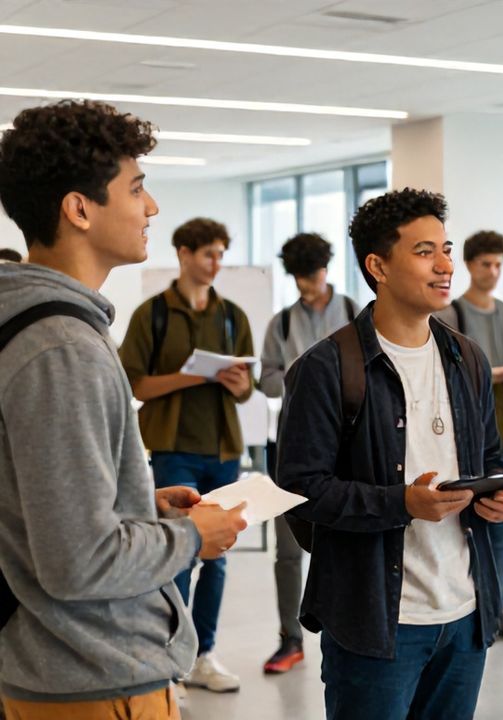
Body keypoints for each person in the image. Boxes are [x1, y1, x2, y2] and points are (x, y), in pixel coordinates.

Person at [0, 100, 246, 718]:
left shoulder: (46, 330)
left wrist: (143, 508)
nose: (152, 208)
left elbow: (38, 510)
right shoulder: (61, 348)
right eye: (136, 188)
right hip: (94, 676)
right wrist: (190, 536)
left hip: (66, 670)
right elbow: (79, 561)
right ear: (79, 209)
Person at [276, 188, 503, 720]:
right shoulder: (327, 367)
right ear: (378, 265)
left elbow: (491, 458)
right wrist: (402, 503)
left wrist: (499, 491)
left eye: (447, 249)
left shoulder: (466, 358)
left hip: (465, 615)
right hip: (376, 623)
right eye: (425, 251)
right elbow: (300, 489)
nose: (446, 264)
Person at [119, 216, 255, 694]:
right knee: (178, 557)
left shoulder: (233, 316)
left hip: (222, 452)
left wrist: (238, 385)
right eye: (207, 254)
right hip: (173, 451)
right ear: (182, 253)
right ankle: (168, 660)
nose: (215, 263)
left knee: (218, 559)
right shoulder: (151, 314)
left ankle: (202, 656)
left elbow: (245, 388)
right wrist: (197, 376)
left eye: (220, 253)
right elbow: (134, 382)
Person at [258, 232, 358, 674]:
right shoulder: (280, 323)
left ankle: (348, 630)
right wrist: (303, 379)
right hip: (292, 446)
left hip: (348, 444)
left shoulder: (356, 313)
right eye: (298, 278)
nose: (306, 286)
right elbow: (266, 380)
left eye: (312, 275)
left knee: (351, 540)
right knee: (287, 550)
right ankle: (289, 638)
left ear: (326, 268)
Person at [434, 229, 503, 641]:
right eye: (485, 264)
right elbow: (450, 376)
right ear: (470, 266)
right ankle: (470, 603)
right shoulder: (451, 314)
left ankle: (500, 606)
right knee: (466, 521)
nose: (492, 272)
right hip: (468, 432)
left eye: (498, 265)